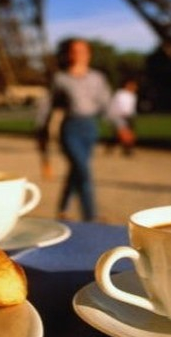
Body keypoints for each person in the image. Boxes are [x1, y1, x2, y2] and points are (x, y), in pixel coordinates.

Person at [35, 38, 112, 222]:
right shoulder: (60, 79)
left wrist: (121, 126)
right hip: (70, 127)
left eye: (82, 50)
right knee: (83, 171)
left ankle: (63, 209)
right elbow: (47, 106)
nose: (78, 54)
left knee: (76, 170)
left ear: (89, 54)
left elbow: (107, 104)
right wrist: (41, 129)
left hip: (90, 128)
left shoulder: (97, 78)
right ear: (69, 54)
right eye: (74, 51)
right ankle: (90, 216)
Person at [105, 77, 138, 156]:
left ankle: (127, 149)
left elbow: (131, 107)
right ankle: (114, 146)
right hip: (120, 116)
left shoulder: (133, 95)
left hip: (129, 116)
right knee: (121, 134)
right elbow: (114, 105)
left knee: (130, 134)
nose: (134, 88)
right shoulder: (120, 94)